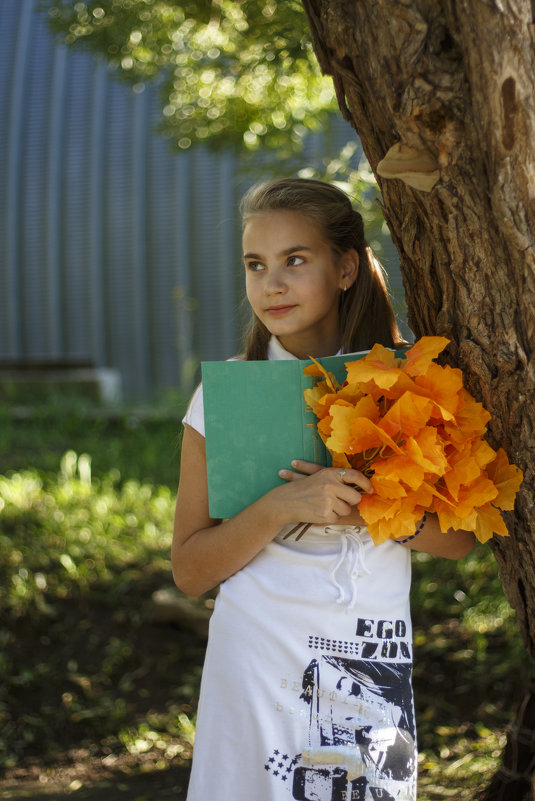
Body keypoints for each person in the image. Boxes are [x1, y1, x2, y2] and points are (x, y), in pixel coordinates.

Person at [172, 178, 475, 801]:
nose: (271, 284)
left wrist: (370, 509)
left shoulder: (409, 383)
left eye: (295, 260)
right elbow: (190, 570)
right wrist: (278, 509)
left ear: (346, 268)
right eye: (256, 265)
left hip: (367, 658)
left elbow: (458, 541)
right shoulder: (224, 397)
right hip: (254, 661)